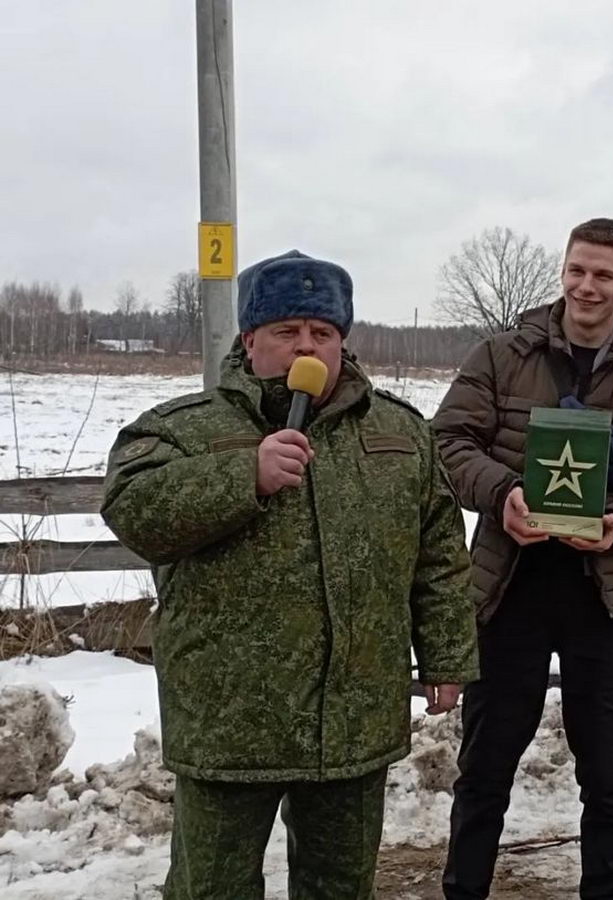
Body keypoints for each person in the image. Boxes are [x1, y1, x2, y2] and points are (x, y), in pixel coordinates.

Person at [102, 250, 479, 898]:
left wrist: (445, 656)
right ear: (250, 340)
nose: (307, 344)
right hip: (229, 722)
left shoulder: (398, 433)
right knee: (210, 888)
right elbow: (133, 510)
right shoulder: (185, 429)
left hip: (353, 715)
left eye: (323, 332)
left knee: (339, 886)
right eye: (286, 331)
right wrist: (242, 475)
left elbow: (439, 554)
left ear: (341, 342)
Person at [433, 218, 613, 899]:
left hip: (606, 600)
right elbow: (448, 443)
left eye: (604, 274)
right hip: (509, 590)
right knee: (486, 767)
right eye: (578, 270)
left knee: (609, 776)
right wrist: (502, 497)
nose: (588, 286)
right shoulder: (502, 354)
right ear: (564, 271)